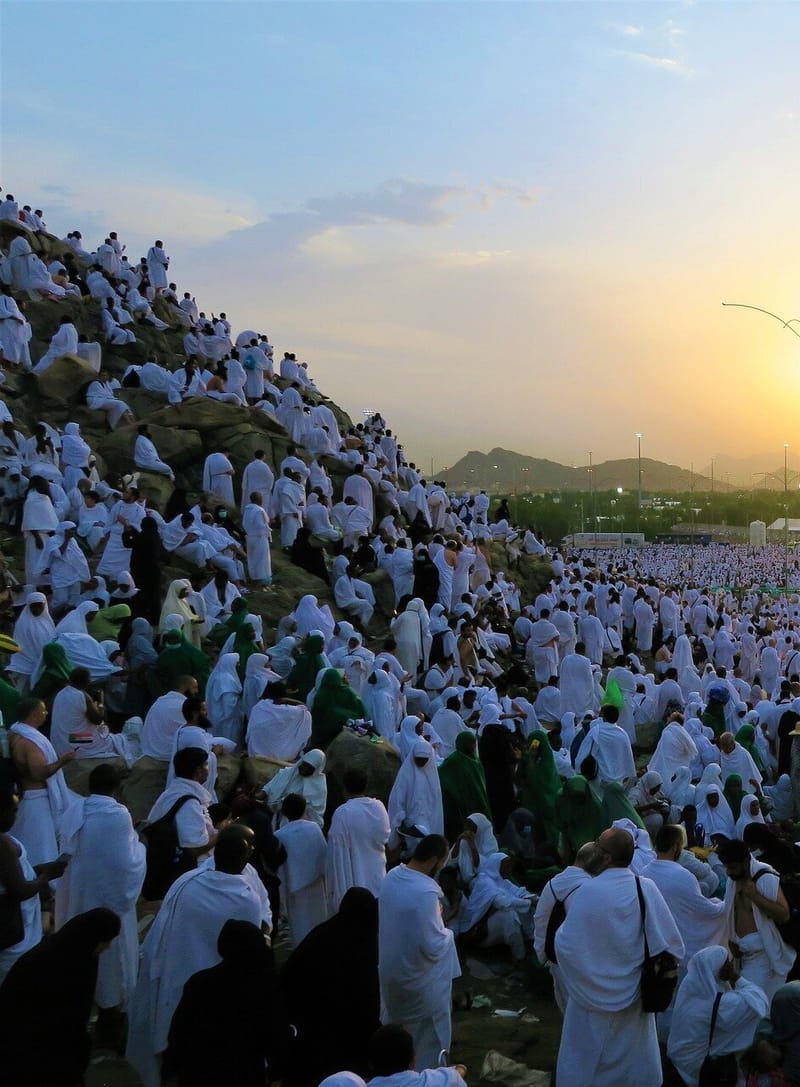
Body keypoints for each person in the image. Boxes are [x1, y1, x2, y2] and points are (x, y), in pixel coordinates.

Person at [126, 826, 267, 1087]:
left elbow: (161, 935)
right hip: (219, 988)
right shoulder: (245, 898)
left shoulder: (188, 882)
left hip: (182, 976)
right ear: (244, 858)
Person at [554, 826, 684, 1087]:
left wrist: (591, 973)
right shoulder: (644, 888)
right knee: (632, 1061)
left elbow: (565, 945)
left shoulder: (588, 890)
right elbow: (672, 945)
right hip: (634, 996)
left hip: (589, 997)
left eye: (599, 847)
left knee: (587, 1060)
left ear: (606, 858)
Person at [54, 764, 146, 1042]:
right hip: (108, 898)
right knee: (110, 954)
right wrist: (142, 847)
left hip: (79, 892)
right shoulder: (117, 815)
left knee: (78, 943)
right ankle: (110, 1009)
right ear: (117, 788)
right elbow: (127, 862)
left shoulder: (74, 811)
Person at [0, 907, 122, 1087]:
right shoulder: (51, 963)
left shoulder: (79, 954)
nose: (107, 947)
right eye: (105, 941)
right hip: (33, 1046)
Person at [164, 919, 291, 1087]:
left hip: (198, 1072)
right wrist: (278, 1070)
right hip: (243, 1073)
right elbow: (274, 1035)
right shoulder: (264, 986)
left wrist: (170, 1069)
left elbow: (179, 1032)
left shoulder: (200, 982)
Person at [282, 888, 380, 1087]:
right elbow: (365, 994)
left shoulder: (324, 934)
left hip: (315, 1022)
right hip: (331, 1024)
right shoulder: (360, 940)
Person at [378, 834, 461, 1071]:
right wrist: (449, 934)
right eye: (443, 862)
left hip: (391, 973)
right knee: (427, 1042)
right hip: (416, 980)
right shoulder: (425, 892)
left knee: (400, 1038)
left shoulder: (392, 876)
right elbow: (433, 945)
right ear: (435, 859)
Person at [667, 945, 769, 1087]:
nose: (730, 964)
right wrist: (736, 977)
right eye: (727, 962)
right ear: (718, 968)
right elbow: (760, 1000)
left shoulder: (690, 985)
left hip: (678, 1060)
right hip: (699, 1068)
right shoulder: (718, 1005)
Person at [0, 788, 68, 983]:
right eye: (12, 811)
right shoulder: (3, 846)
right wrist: (45, 877)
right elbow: (19, 889)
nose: (16, 816)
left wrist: (39, 871)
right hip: (14, 929)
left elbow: (14, 875)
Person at [717, 836, 795, 1001]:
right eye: (727, 868)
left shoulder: (765, 877)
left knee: (752, 1007)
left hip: (766, 958)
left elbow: (783, 914)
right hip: (745, 957)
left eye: (732, 867)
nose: (729, 872)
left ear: (745, 862)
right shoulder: (734, 881)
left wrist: (755, 896)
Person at [533, 841, 603, 1012]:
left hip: (552, 956)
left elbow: (540, 919)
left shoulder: (553, 883)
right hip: (574, 963)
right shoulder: (587, 888)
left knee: (565, 1008)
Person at [8, 696, 78, 866]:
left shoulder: (14, 734)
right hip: (35, 799)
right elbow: (38, 773)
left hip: (27, 796)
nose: (46, 713)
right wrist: (63, 760)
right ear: (34, 714)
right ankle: (40, 883)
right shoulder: (29, 742)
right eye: (43, 710)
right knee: (40, 848)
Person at [325, 768, 391, 909]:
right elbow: (385, 835)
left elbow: (335, 850)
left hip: (352, 879)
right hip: (377, 876)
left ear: (344, 788)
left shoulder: (343, 812)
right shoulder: (378, 807)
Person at [274, 793, 328, 946]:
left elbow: (280, 868)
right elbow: (324, 856)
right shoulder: (314, 828)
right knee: (319, 923)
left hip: (294, 888)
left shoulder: (279, 835)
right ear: (305, 809)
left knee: (300, 927)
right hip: (316, 885)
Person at [367, 1024, 467, 1087]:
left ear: (370, 1064)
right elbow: (458, 1073)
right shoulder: (436, 1080)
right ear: (413, 1060)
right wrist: (460, 1069)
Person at [438, 731, 492, 844]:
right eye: (469, 743)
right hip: (460, 805)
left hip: (477, 800)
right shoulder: (453, 761)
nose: (472, 746)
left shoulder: (475, 760)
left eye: (474, 743)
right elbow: (443, 777)